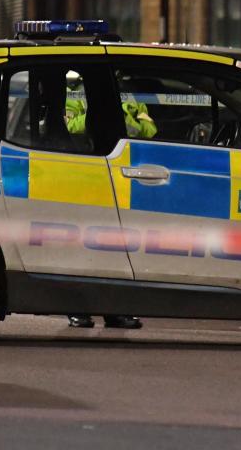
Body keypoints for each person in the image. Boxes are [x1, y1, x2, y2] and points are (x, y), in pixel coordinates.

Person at [64, 86, 155, 330]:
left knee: (118, 247)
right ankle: (78, 309)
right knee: (84, 247)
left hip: (121, 177)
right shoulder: (73, 96)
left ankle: (116, 310)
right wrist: (120, 116)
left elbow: (150, 130)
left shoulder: (132, 97)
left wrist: (122, 114)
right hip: (84, 173)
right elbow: (73, 127)